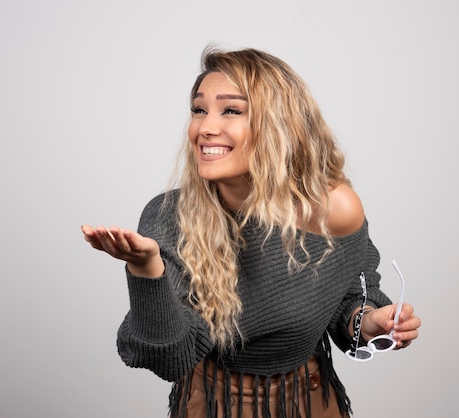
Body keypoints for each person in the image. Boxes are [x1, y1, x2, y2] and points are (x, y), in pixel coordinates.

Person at [81, 46, 421, 418]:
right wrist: (147, 270)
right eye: (199, 109)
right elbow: (169, 358)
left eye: (231, 110)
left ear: (278, 124)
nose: (205, 127)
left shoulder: (332, 208)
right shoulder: (169, 217)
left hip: (313, 400)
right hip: (216, 404)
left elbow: (353, 289)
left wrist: (367, 320)